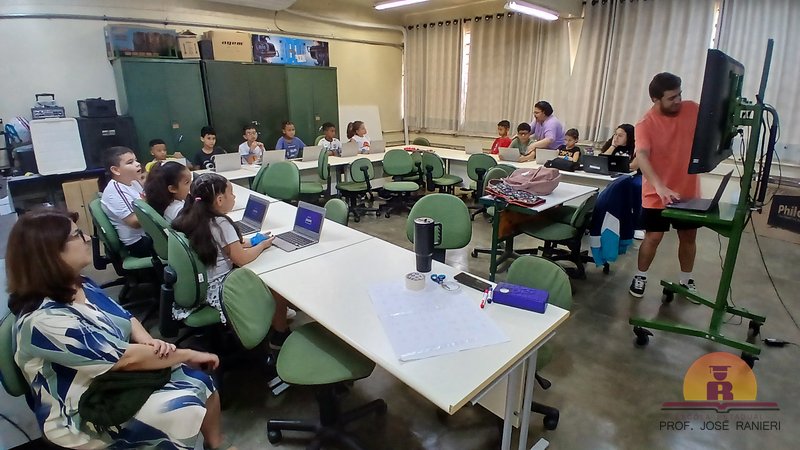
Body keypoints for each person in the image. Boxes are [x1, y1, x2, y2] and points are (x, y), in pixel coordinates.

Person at [7, 208, 235, 450]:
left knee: (200, 380)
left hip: (110, 377)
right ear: (50, 254)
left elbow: (124, 317)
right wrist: (187, 354)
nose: (88, 239)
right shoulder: (44, 320)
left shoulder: (79, 284)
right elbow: (124, 359)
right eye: (77, 235)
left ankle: (216, 444)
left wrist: (146, 340)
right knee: (180, 404)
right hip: (82, 408)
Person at [171, 173, 292, 349]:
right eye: (231, 193)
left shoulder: (192, 215)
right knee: (276, 286)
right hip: (221, 289)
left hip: (202, 285)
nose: (234, 197)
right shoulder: (221, 223)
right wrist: (262, 246)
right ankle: (279, 334)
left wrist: (253, 241)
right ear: (220, 200)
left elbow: (225, 244)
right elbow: (241, 259)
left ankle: (275, 317)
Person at [629, 72, 701, 298]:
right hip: (656, 193)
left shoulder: (692, 109)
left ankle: (685, 281)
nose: (678, 100)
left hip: (687, 191)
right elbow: (641, 156)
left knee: (688, 237)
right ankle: (640, 276)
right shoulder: (645, 124)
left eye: (680, 95)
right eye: (671, 98)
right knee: (653, 237)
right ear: (655, 99)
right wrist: (659, 186)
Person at [100, 146, 153, 258]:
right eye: (130, 162)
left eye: (136, 160)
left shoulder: (133, 182)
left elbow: (147, 202)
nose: (137, 164)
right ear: (115, 170)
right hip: (139, 242)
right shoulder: (115, 190)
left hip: (148, 234)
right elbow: (134, 222)